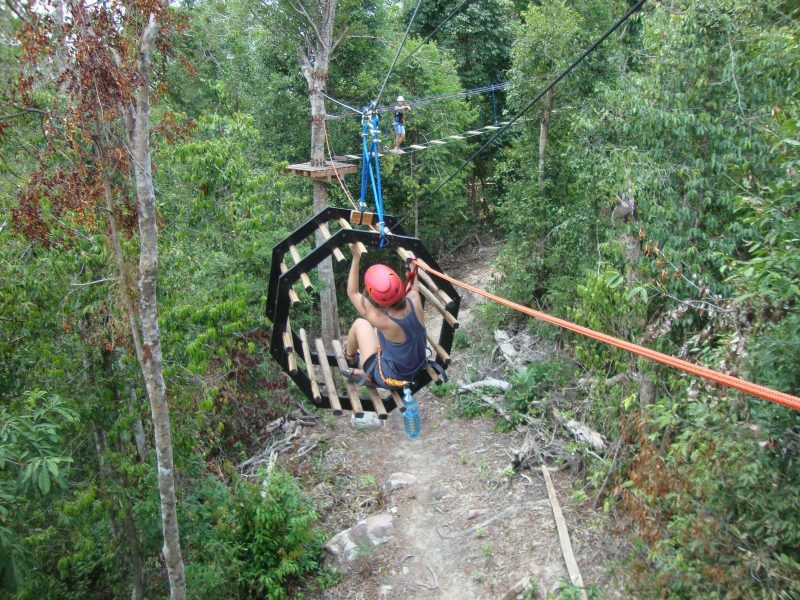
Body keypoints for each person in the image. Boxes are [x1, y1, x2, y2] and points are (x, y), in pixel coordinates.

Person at [342, 244, 427, 389]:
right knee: (377, 332)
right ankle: (356, 355)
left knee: (360, 324)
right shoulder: (414, 299)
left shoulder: (383, 320)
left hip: (391, 377)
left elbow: (353, 293)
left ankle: (351, 358)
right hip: (417, 367)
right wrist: (411, 264)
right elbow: (412, 280)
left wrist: (356, 258)